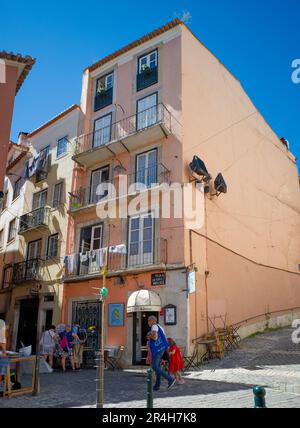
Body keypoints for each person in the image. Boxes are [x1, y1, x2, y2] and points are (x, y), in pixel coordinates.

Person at [148, 315, 176, 391]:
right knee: (158, 367)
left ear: (152, 320)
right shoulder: (160, 327)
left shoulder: (154, 326)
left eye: (149, 320)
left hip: (158, 349)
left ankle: (170, 379)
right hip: (162, 348)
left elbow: (155, 337)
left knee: (154, 366)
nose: (148, 322)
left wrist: (149, 335)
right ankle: (157, 385)